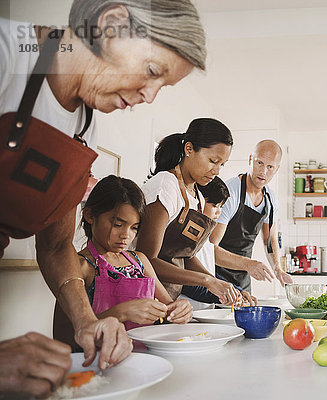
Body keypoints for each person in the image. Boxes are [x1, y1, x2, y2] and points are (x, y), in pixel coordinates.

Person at [0, 0, 206, 397]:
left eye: (162, 87)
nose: (150, 96)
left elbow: (58, 244)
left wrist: (86, 322)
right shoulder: (10, 55)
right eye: (152, 72)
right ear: (110, 25)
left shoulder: (83, 125)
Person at [53, 175, 193, 349]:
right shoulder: (79, 266)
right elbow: (63, 337)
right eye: (118, 224)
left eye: (134, 227)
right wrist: (121, 312)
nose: (126, 235)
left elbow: (170, 308)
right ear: (89, 215)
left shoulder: (139, 261)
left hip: (144, 359)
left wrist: (181, 310)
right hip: (99, 364)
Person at [136, 118, 250, 306]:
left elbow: (186, 256)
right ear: (189, 149)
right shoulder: (166, 185)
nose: (217, 171)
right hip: (145, 298)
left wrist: (221, 285)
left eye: (222, 164)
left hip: (169, 298)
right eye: (213, 161)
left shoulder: (195, 195)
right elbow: (147, 259)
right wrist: (207, 281)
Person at [210, 139, 293, 293]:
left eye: (270, 167)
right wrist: (248, 264)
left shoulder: (270, 200)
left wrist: (278, 269)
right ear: (250, 160)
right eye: (259, 163)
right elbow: (210, 249)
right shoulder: (230, 192)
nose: (263, 172)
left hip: (243, 280)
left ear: (277, 169)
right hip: (215, 279)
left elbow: (270, 240)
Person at [181, 177, 257, 305]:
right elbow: (187, 282)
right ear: (198, 199)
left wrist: (235, 291)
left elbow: (210, 276)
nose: (219, 212)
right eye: (215, 206)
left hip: (203, 311)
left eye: (221, 207)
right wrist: (223, 295)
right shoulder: (186, 233)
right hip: (188, 309)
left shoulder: (204, 234)